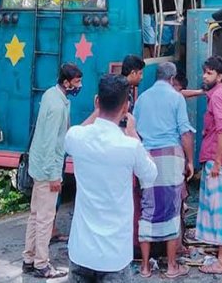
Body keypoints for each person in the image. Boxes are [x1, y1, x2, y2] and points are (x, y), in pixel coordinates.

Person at [65, 74, 158, 282]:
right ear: (126, 107)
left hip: (81, 250)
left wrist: (97, 111)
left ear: (97, 101)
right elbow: (151, 174)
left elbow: (75, 132)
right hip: (114, 254)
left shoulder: (76, 138)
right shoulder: (130, 146)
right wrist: (132, 132)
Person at [22, 63, 83, 279]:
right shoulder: (58, 106)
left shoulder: (50, 94)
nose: (79, 86)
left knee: (35, 215)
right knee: (46, 218)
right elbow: (51, 143)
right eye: (76, 82)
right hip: (48, 169)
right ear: (66, 82)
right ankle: (42, 264)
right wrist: (55, 175)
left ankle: (29, 259)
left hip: (38, 166)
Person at [134, 62, 194, 279]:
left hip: (147, 157)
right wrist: (189, 161)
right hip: (170, 156)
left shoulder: (142, 99)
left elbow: (135, 132)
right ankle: (170, 267)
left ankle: (145, 268)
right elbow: (185, 133)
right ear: (172, 78)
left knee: (147, 208)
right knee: (171, 208)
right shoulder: (176, 98)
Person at [195, 56, 222, 275]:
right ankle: (219, 255)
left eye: (210, 73)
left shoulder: (218, 98)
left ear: (219, 76)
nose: (205, 75)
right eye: (205, 71)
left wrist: (217, 162)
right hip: (218, 158)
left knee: (219, 210)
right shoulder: (220, 95)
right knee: (216, 206)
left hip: (216, 159)